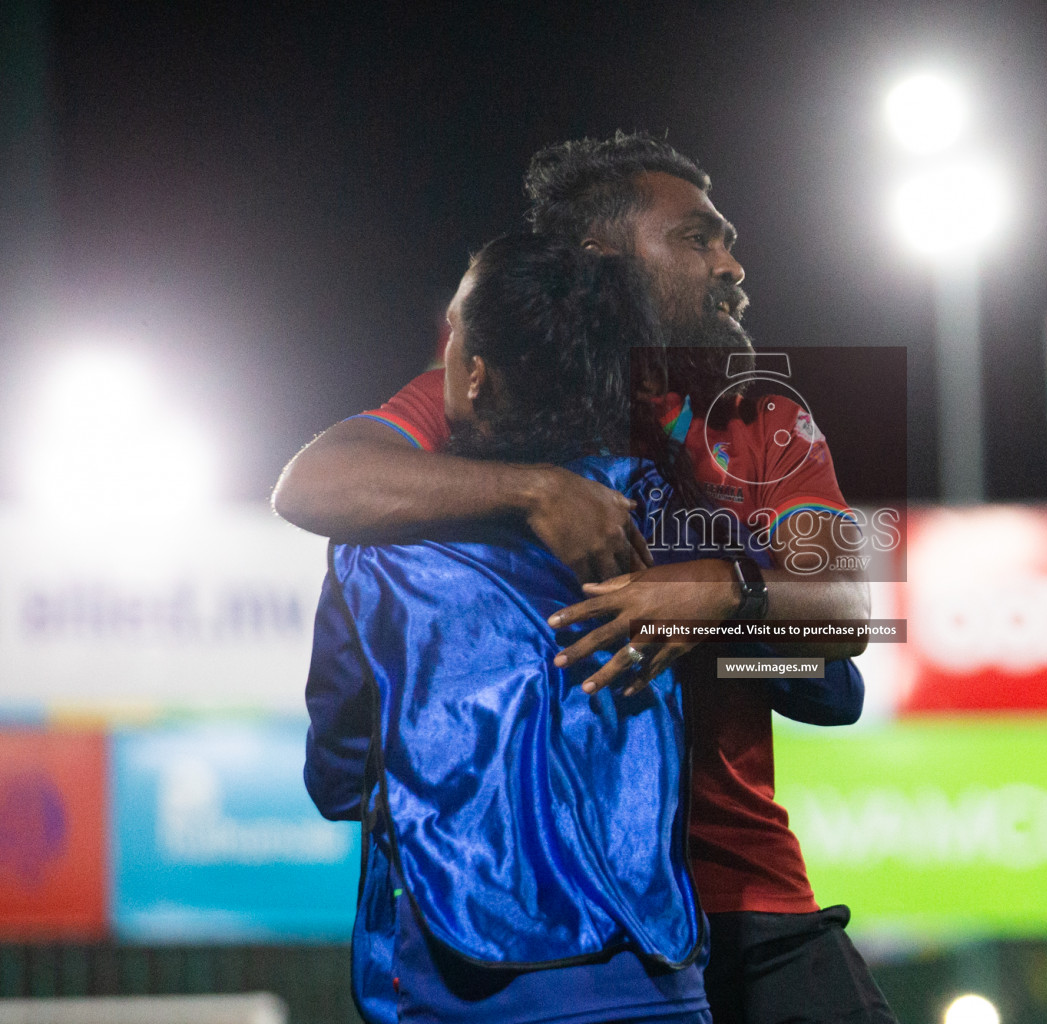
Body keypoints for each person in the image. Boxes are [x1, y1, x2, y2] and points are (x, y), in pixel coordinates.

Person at [277, 134, 897, 1024]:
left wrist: (722, 593)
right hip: (545, 914)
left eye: (725, 240)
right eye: (697, 239)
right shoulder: (489, 388)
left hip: (737, 892)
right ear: (602, 261)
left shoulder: (764, 411)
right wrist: (538, 490)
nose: (732, 263)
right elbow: (313, 485)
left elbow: (845, 616)